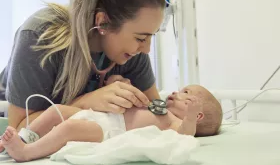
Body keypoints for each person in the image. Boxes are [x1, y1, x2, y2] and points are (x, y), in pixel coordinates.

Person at [0, 0, 166, 152]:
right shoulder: (39, 36)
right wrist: (87, 102)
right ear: (102, 22)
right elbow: (19, 132)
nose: (146, 49)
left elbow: (158, 113)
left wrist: (130, 103)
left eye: (150, 37)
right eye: (141, 38)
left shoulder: (132, 53)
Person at [1, 85, 223, 162]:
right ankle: (23, 138)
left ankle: (26, 153)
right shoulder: (161, 107)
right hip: (100, 115)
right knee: (55, 110)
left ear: (198, 115)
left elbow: (185, 136)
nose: (177, 91)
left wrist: (190, 117)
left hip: (109, 130)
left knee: (69, 128)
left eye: (187, 94)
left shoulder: (176, 123)